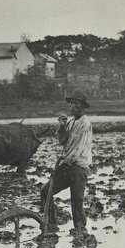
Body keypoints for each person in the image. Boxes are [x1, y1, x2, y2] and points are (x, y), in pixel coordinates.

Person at [40, 91, 93, 236]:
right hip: (67, 165)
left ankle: (80, 230)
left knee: (77, 200)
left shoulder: (85, 125)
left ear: (82, 106)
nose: (71, 106)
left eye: (75, 103)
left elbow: (76, 151)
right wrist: (63, 126)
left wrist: (59, 168)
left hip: (78, 167)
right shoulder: (71, 122)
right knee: (46, 191)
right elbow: (63, 141)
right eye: (70, 103)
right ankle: (50, 224)